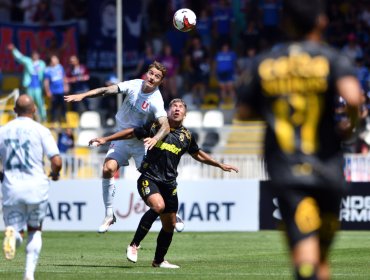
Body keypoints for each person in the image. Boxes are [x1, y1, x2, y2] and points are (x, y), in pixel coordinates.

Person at [236, 1, 364, 279]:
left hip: (286, 168)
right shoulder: (330, 58)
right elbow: (354, 98)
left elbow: (243, 112)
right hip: (328, 166)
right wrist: (350, 127)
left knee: (308, 257)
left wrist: (274, 108)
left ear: (285, 23)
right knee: (321, 255)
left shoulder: (265, 62)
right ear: (322, 22)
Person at [89, 98, 239, 268]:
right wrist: (106, 139)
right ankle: (134, 245)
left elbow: (197, 153)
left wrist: (219, 164)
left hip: (169, 184)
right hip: (149, 178)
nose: (176, 109)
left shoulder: (187, 136)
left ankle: (158, 261)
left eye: (180, 107)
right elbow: (131, 132)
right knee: (158, 206)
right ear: (167, 111)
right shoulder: (155, 126)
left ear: (185, 113)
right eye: (173, 106)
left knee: (169, 225)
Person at [64, 61, 171, 233]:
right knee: (108, 169)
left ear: (160, 82)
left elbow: (165, 125)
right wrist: (83, 95)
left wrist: (155, 139)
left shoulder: (156, 100)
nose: (152, 78)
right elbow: (107, 90)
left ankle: (172, 209)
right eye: (151, 73)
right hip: (121, 137)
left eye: (157, 76)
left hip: (139, 142)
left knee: (153, 182)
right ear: (146, 73)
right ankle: (109, 215)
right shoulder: (134, 84)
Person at [0, 95, 62, 280]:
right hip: (36, 187)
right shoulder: (41, 130)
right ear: (34, 110)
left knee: (15, 228)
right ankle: (28, 274)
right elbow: (56, 161)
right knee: (34, 229)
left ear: (14, 110)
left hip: (11, 187)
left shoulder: (3, 131)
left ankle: (14, 236)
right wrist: (56, 173)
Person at [7, 43, 47, 122]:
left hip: (38, 86)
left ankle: (43, 118)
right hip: (29, 86)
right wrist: (13, 50)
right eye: (33, 55)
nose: (35, 56)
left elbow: (46, 74)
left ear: (39, 56)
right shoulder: (28, 61)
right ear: (31, 56)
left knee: (40, 102)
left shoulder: (42, 63)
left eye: (36, 55)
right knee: (29, 103)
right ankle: (30, 118)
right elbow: (20, 57)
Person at [44, 55, 69, 124]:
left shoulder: (60, 67)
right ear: (51, 61)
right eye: (54, 59)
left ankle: (63, 119)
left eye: (56, 59)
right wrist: (48, 91)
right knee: (54, 107)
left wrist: (66, 86)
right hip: (54, 92)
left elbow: (64, 77)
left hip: (61, 91)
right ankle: (53, 120)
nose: (56, 60)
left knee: (63, 106)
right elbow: (46, 82)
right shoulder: (47, 70)